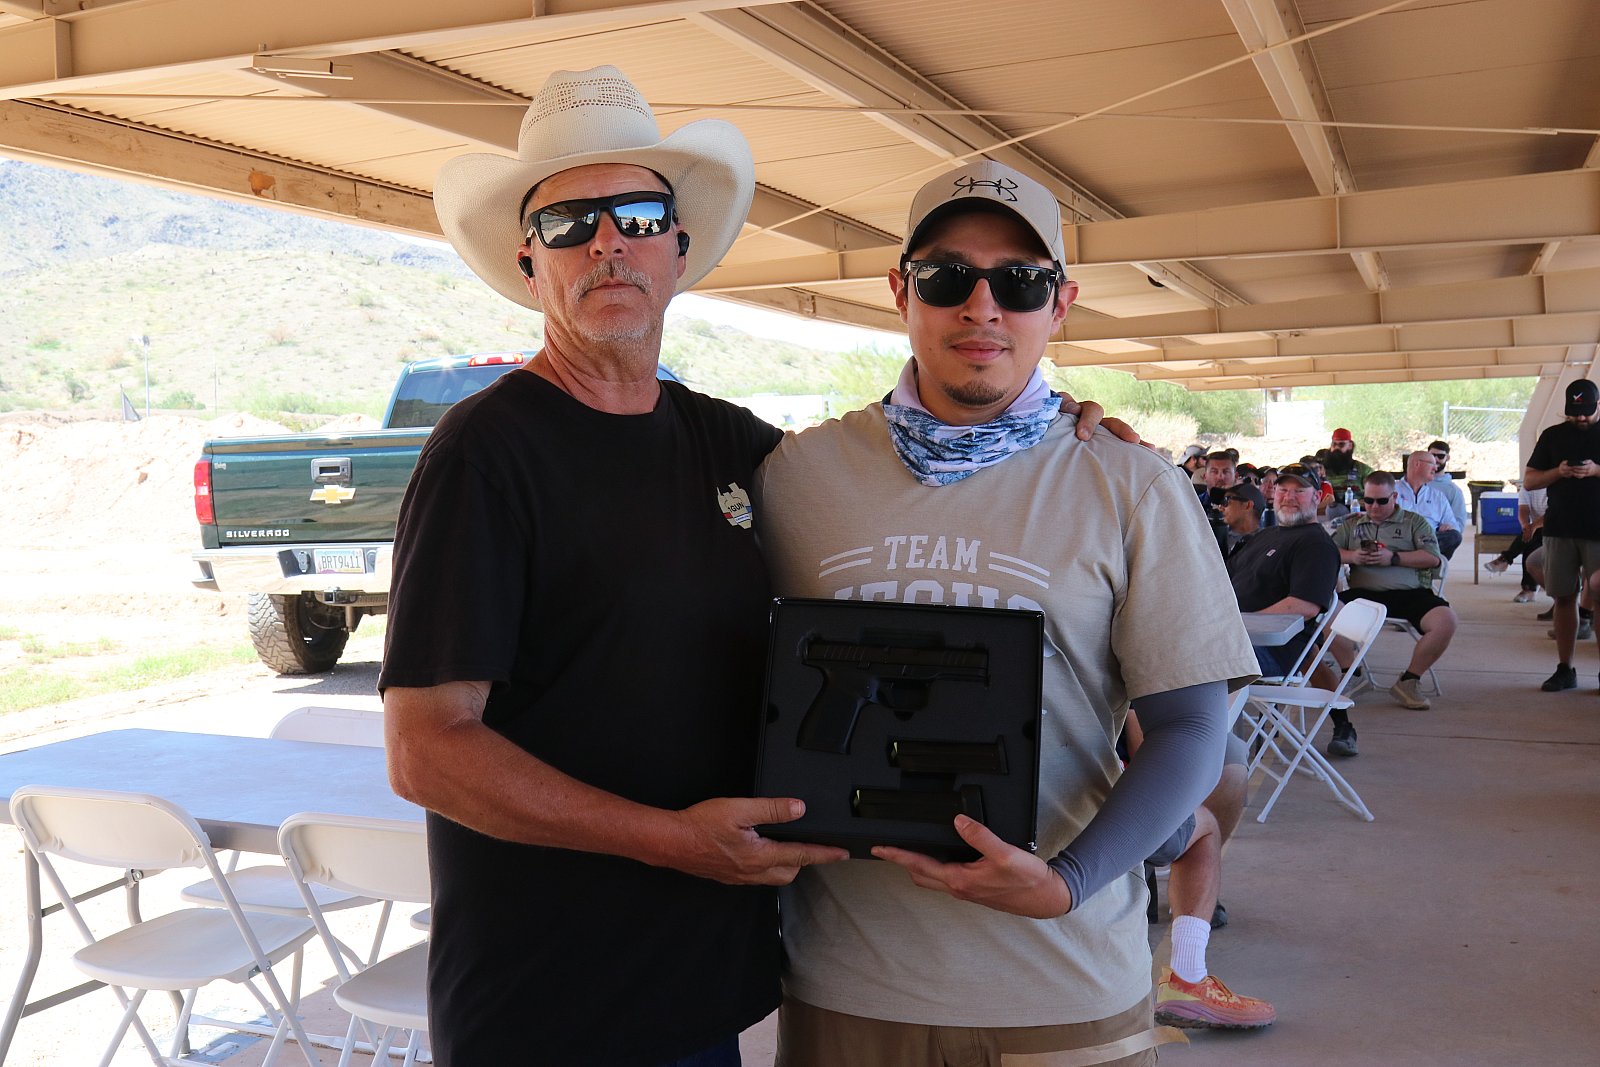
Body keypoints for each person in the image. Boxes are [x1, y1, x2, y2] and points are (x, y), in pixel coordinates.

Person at [378, 67, 1126, 1066]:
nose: (607, 243)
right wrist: (670, 839)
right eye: (568, 224)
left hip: (703, 986)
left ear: (679, 250)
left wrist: (1056, 431)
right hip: (551, 1001)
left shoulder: (729, 444)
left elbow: (902, 472)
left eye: (639, 216)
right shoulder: (486, 452)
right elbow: (426, 750)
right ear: (529, 263)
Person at [754, 160, 1260, 1067]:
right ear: (901, 291)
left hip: (1064, 991)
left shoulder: (1131, 484)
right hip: (847, 988)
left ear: (1059, 304)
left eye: (1019, 282)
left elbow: (1190, 725)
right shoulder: (795, 475)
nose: (982, 308)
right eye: (948, 277)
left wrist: (1068, 883)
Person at [1125, 713, 1275, 1033]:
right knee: (1204, 825)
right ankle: (1187, 977)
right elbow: (1143, 744)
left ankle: (1161, 871)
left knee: (1226, 758)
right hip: (1101, 805)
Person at [1224, 464, 1345, 746]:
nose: (1289, 497)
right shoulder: (1265, 535)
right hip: (1239, 639)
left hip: (1273, 651)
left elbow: (1304, 606)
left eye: (1299, 491)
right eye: (1283, 490)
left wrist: (1235, 624)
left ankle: (1217, 752)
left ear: (1316, 497)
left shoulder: (1315, 545)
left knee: (1194, 665)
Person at [1330, 471, 1459, 711]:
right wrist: (1353, 556)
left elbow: (1433, 558)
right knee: (1323, 612)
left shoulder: (1414, 522)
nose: (1374, 507)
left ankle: (1409, 681)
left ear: (1395, 497)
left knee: (1446, 621)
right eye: (1369, 500)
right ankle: (1352, 672)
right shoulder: (1352, 524)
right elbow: (1328, 552)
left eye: (1381, 501)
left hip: (1410, 593)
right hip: (1363, 595)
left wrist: (1394, 558)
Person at [1524, 378, 1600, 692]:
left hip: (1598, 531)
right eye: (1574, 412)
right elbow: (1530, 481)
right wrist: (1559, 472)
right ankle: (1565, 668)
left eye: (1586, 411)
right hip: (1560, 528)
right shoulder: (1552, 436)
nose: (1580, 417)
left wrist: (1596, 470)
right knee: (1563, 598)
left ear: (1598, 405)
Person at [1395, 450, 1462, 560]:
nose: (1436, 468)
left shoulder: (1437, 496)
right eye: (1432, 464)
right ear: (1417, 464)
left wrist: (1449, 526)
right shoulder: (1392, 490)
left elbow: (1454, 526)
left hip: (1429, 539)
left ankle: (1418, 557)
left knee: (1454, 536)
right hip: (1400, 537)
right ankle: (1421, 558)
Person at [1426, 440, 1469, 539]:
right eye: (1432, 456)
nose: (1436, 459)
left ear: (1447, 458)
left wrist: (1449, 528)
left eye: (1440, 456)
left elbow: (1459, 525)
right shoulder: (1416, 483)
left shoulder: (1453, 491)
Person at [1219, 482, 1266, 557]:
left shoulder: (1268, 542)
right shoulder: (1216, 539)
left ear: (1247, 505)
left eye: (1226, 501)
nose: (1220, 508)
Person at [1322, 427, 1373, 492]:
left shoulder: (1364, 471)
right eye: (1334, 444)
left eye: (1341, 444)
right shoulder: (1320, 470)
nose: (1336, 448)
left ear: (1350, 446)